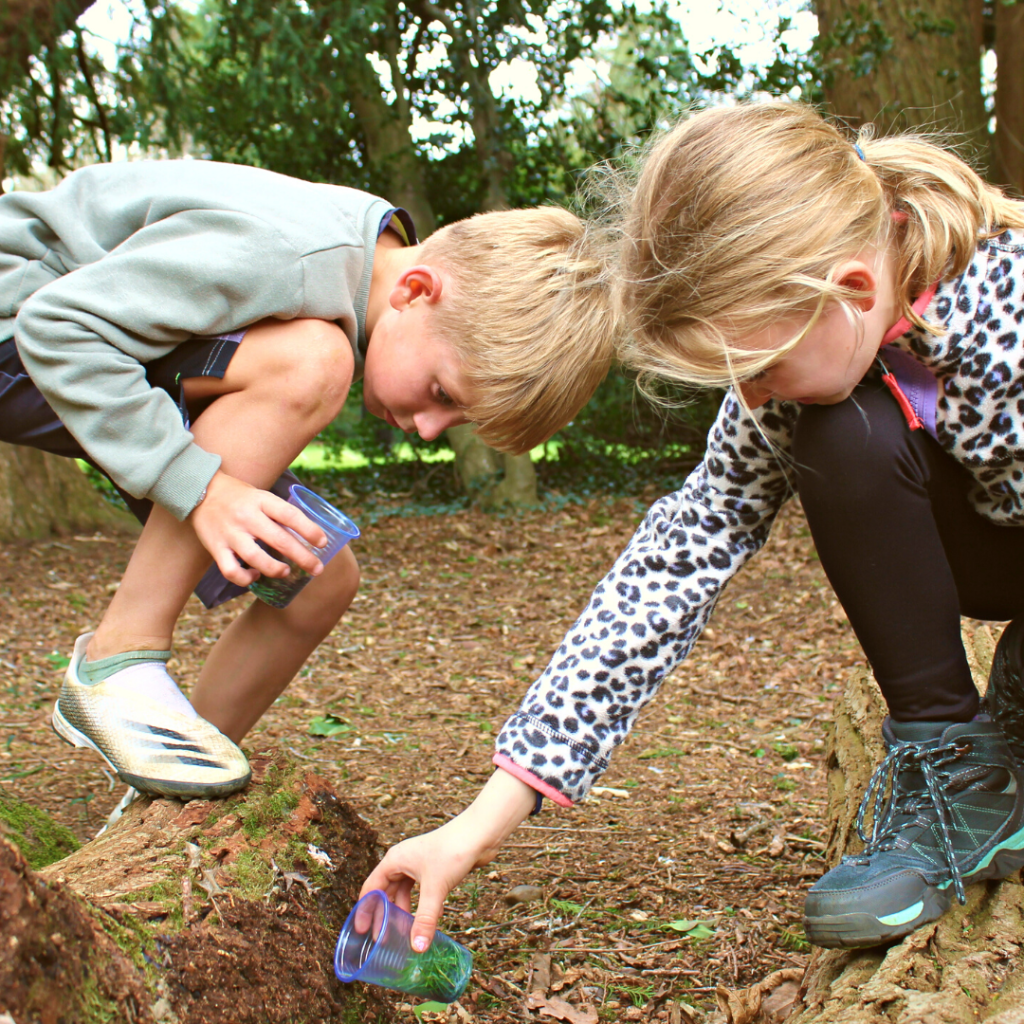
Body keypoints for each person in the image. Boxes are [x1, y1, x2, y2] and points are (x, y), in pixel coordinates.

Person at [360, 101, 1024, 954]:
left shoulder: (1006, 311)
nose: (749, 399)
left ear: (851, 293)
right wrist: (481, 820)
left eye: (754, 369)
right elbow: (674, 564)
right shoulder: (799, 378)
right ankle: (956, 775)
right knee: (841, 435)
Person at [0, 158, 616, 803]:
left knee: (315, 579)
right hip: (22, 322)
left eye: (458, 418)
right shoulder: (288, 254)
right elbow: (58, 327)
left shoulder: (357, 266)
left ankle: (161, 800)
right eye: (442, 392)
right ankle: (115, 659)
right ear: (414, 291)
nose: (432, 429)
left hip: (98, 357)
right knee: (312, 363)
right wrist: (203, 489)